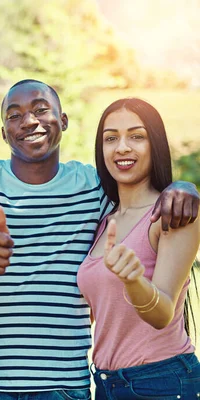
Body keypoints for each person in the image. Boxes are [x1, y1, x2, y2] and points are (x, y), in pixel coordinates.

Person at [0, 79, 199, 399]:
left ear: (64, 121)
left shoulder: (93, 188)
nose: (29, 121)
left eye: (41, 109)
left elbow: (143, 195)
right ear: (3, 133)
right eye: (14, 115)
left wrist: (184, 188)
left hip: (72, 383)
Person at [77, 98, 200, 399]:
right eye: (111, 138)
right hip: (106, 384)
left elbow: (162, 314)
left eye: (136, 136)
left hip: (160, 381)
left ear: (154, 143)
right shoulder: (104, 220)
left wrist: (134, 281)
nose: (121, 148)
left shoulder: (173, 213)